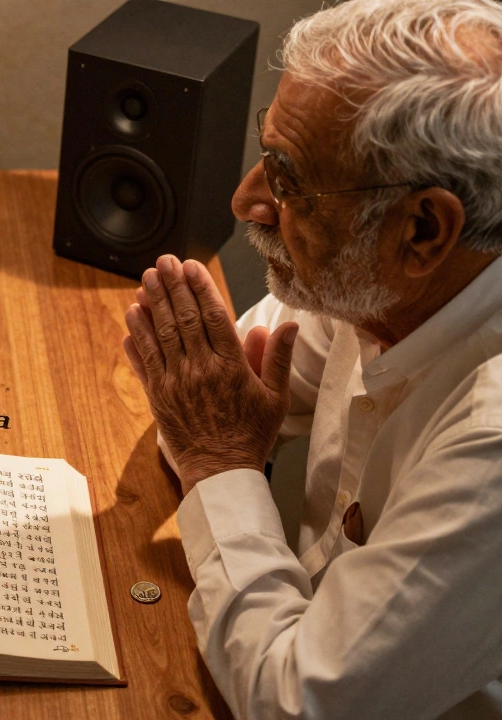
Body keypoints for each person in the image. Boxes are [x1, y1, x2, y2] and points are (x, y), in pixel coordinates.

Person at [122, 0, 502, 717]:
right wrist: (216, 446)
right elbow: (215, 395)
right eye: (266, 154)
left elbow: (298, 700)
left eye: (290, 180)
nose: (246, 201)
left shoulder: (491, 443)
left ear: (422, 230)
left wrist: (217, 461)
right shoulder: (373, 281)